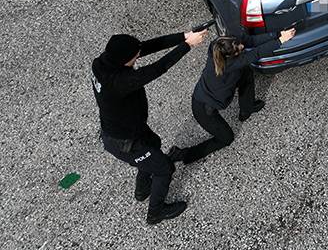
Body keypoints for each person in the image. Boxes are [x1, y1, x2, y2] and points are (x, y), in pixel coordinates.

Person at [91, 27, 208, 225]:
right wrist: (187, 46)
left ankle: (142, 190)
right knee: (164, 168)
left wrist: (183, 36)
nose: (138, 57)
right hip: (123, 141)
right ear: (124, 59)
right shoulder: (119, 81)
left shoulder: (102, 62)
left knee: (154, 144)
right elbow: (157, 69)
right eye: (135, 57)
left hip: (130, 128)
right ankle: (156, 212)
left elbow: (146, 47)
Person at [178, 28, 296, 164]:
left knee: (245, 71)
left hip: (215, 90)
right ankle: (184, 154)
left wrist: (278, 33)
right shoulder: (228, 64)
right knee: (226, 138)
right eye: (239, 50)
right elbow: (255, 54)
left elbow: (251, 41)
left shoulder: (223, 44)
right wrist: (280, 41)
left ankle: (247, 108)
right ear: (229, 57)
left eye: (239, 44)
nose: (242, 46)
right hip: (203, 107)